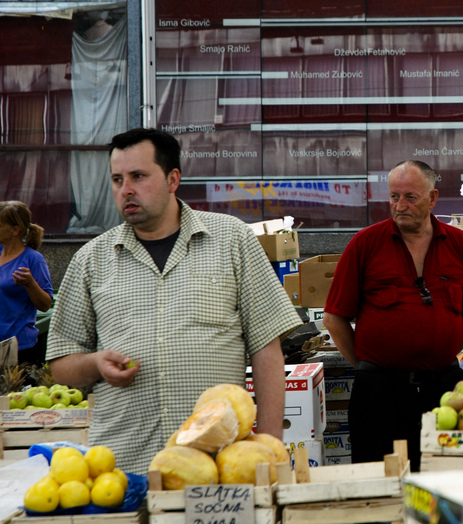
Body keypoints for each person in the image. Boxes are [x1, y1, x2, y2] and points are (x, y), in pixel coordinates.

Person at [46, 128, 301, 474]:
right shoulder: (91, 260)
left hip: (218, 468)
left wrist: (270, 447)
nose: (127, 190)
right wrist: (95, 364)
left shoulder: (231, 240)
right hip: (126, 467)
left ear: (172, 179)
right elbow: (60, 364)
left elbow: (266, 349)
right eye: (117, 179)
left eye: (138, 176)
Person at [322, 160, 463, 471]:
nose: (400, 205)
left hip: (443, 391)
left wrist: (439, 350)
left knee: (440, 483)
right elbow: (334, 318)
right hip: (379, 394)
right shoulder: (365, 243)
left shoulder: (460, 245)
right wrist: (366, 365)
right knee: (378, 488)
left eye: (410, 197)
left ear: (433, 198)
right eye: (394, 197)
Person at [0, 201, 53, 365]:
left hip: (19, 348)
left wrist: (30, 284)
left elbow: (45, 305)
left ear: (15, 230)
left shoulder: (33, 259)